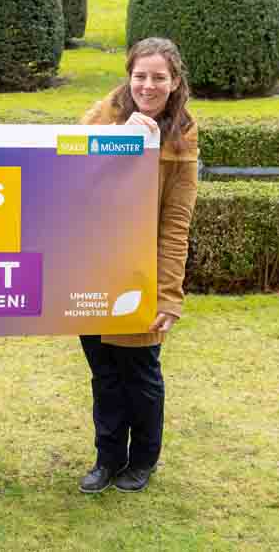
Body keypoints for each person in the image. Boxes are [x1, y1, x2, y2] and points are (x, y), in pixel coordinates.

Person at [76, 37, 199, 494]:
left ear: (175, 81)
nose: (148, 85)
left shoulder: (183, 133)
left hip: (140, 273)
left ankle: (143, 459)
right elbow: (71, 179)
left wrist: (169, 293)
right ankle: (106, 459)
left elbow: (176, 223)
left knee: (140, 373)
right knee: (104, 373)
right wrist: (119, 140)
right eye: (140, 75)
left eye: (159, 77)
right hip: (92, 267)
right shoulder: (104, 115)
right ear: (128, 76)